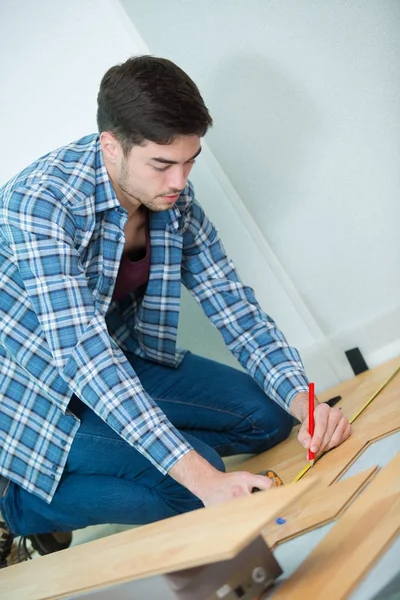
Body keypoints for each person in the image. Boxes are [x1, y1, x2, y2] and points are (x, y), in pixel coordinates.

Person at [0, 55, 351, 567]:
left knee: (269, 418)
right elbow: (84, 354)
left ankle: (127, 452)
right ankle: (19, 507)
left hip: (110, 367)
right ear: (110, 146)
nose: (180, 181)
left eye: (190, 161)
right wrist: (199, 473)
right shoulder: (39, 205)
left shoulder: (171, 199)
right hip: (28, 396)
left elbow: (236, 308)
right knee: (193, 484)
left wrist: (305, 402)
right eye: (163, 164)